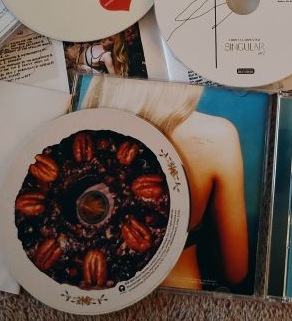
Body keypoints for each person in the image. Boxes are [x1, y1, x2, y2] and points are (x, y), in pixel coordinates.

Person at [80, 76, 248, 291]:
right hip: (179, 296)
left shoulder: (86, 124)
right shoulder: (217, 136)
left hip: (96, 295)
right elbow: (234, 272)